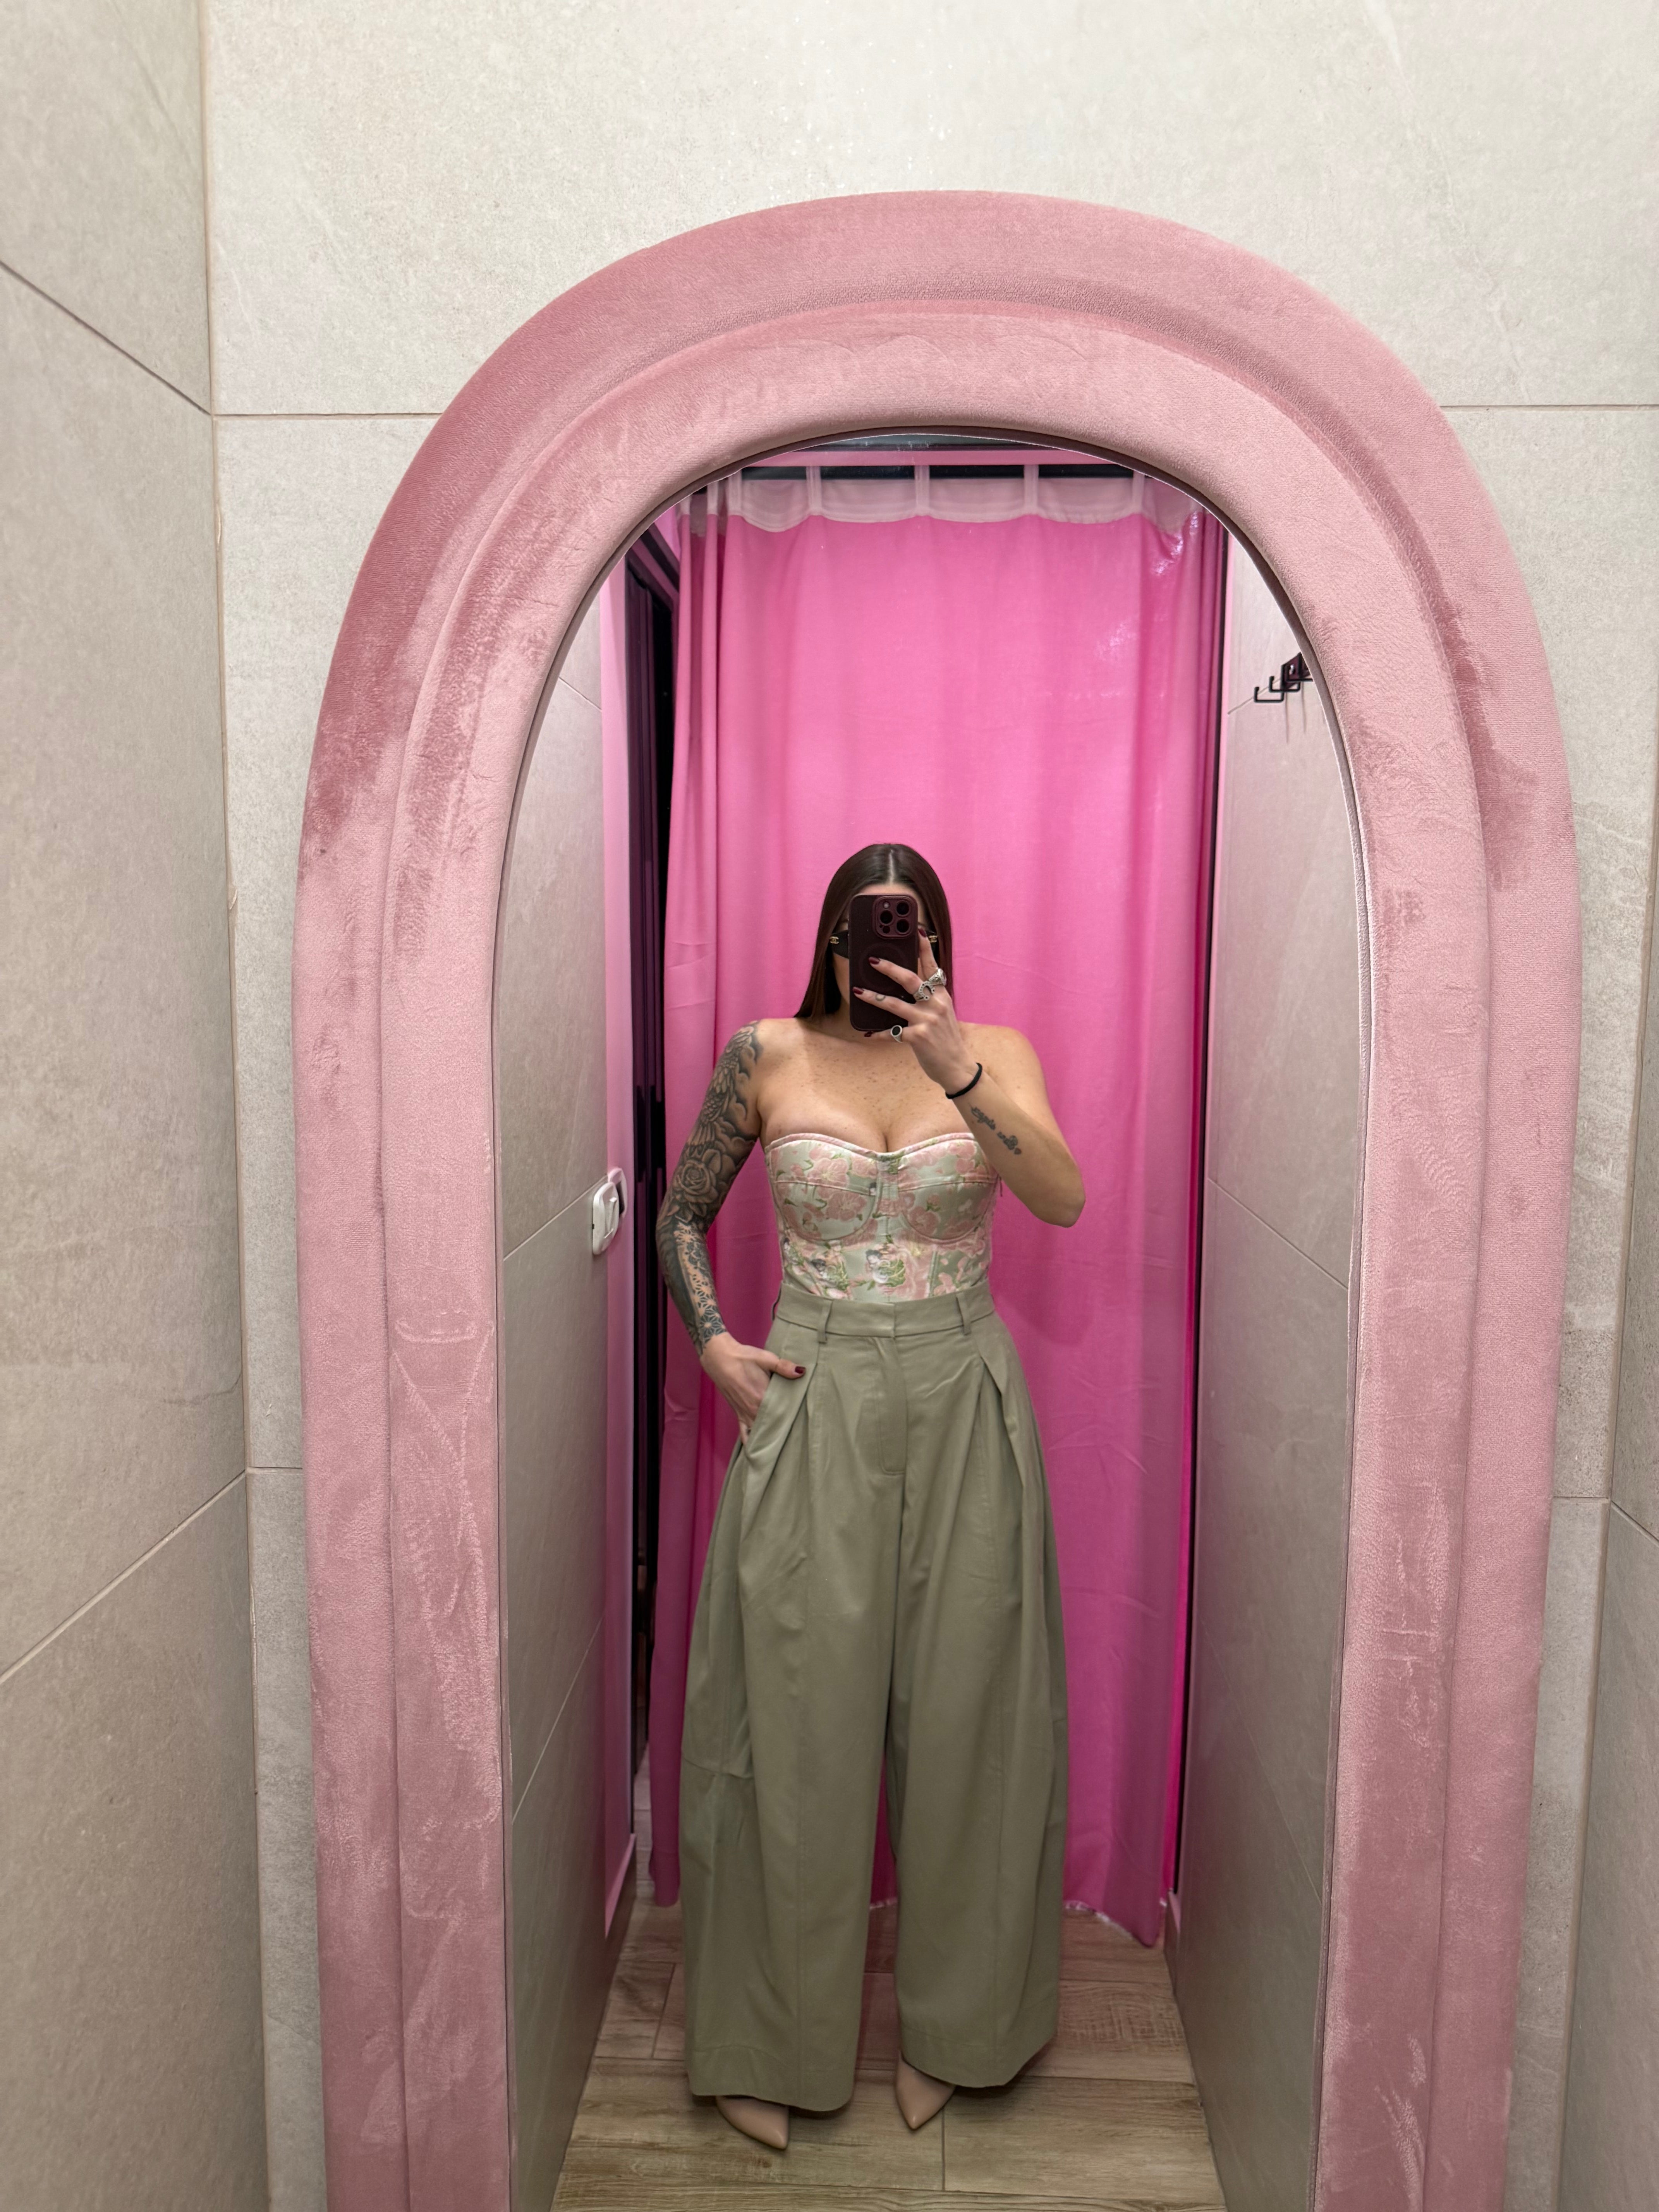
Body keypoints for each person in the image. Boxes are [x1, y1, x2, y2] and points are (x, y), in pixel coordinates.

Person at [657, 842, 1083, 2150]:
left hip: (964, 1391)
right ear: (832, 936)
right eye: (860, 925)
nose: (879, 945)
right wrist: (712, 1341)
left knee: (972, 1715)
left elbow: (1061, 1200)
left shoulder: (992, 1053)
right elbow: (679, 1214)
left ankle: (966, 2028)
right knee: (788, 1714)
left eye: (903, 926)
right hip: (814, 1386)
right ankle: (764, 2036)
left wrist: (956, 1068)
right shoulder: (766, 1054)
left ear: (934, 939)